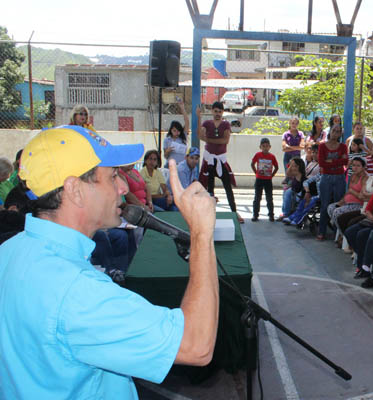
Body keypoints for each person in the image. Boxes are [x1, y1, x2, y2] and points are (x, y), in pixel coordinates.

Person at [0, 125, 219, 398]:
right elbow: (196, 345)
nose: (124, 186)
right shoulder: (79, 291)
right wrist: (201, 235)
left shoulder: (9, 251)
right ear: (74, 189)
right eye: (113, 176)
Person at [197, 101, 243, 223]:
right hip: (210, 160)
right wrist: (199, 118)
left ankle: (234, 212)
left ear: (222, 112)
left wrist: (209, 140)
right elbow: (200, 136)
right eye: (215, 111)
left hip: (221, 159)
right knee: (209, 188)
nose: (217, 113)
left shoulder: (226, 124)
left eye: (220, 111)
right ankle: (209, 214)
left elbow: (225, 140)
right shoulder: (207, 123)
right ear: (212, 111)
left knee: (228, 187)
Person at [317, 124, 348, 240]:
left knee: (337, 204)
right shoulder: (322, 146)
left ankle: (337, 234)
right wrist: (337, 161)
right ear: (330, 132)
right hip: (326, 177)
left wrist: (330, 161)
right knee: (324, 205)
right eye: (334, 130)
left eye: (338, 131)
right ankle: (321, 231)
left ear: (340, 134)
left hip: (339, 177)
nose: (336, 133)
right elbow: (321, 163)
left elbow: (345, 161)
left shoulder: (343, 146)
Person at [327, 157, 367, 234]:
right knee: (330, 207)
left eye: (358, 166)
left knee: (336, 212)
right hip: (348, 203)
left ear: (363, 167)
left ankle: (343, 235)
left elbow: (361, 196)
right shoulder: (352, 176)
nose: (355, 168)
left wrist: (352, 191)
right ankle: (341, 232)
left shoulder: (365, 178)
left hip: (358, 204)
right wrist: (342, 201)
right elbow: (348, 192)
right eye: (354, 165)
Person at [251, 138, 279, 222]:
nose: (265, 148)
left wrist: (272, 175)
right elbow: (252, 164)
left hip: (268, 180)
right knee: (257, 198)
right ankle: (255, 215)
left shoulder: (272, 156)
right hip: (259, 179)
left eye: (267, 146)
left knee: (269, 198)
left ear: (270, 147)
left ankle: (271, 215)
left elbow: (277, 167)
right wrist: (256, 172)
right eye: (263, 146)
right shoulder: (257, 155)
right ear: (260, 147)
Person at [162, 99, 190, 167]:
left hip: (181, 165)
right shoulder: (167, 140)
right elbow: (165, 156)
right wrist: (168, 151)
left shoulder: (182, 137)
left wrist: (182, 108)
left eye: (178, 131)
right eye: (174, 130)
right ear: (171, 130)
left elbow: (187, 122)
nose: (176, 133)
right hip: (170, 165)